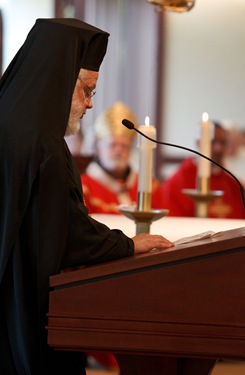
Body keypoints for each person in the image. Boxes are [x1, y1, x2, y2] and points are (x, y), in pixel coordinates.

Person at [0, 18, 174, 375]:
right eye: (87, 90)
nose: (90, 104)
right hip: (24, 304)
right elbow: (67, 232)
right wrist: (128, 245)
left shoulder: (11, 125)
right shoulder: (41, 145)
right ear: (59, 81)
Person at [81, 101, 163, 214]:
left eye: (124, 146)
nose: (119, 150)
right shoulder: (83, 188)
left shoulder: (149, 185)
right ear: (98, 148)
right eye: (112, 145)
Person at [160, 121, 245, 219]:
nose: (218, 148)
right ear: (198, 142)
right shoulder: (178, 182)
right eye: (213, 141)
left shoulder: (232, 183)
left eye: (222, 142)